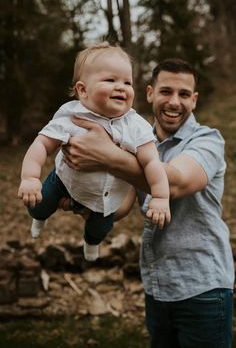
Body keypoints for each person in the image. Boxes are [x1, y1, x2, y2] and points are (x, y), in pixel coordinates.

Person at [61, 58, 235, 347]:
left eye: (183, 95)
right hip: (157, 286)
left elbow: (176, 182)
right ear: (151, 93)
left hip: (203, 287)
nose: (174, 102)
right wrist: (81, 202)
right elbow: (122, 207)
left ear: (194, 100)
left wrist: (108, 156)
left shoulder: (208, 140)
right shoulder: (137, 143)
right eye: (166, 92)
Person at [18, 42, 170, 262]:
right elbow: (42, 144)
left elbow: (152, 163)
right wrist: (30, 177)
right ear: (83, 90)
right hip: (64, 182)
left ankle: (91, 244)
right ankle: (38, 220)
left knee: (99, 229)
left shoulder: (136, 126)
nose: (121, 87)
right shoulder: (72, 116)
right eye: (110, 80)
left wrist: (160, 197)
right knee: (38, 206)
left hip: (106, 201)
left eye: (127, 82)